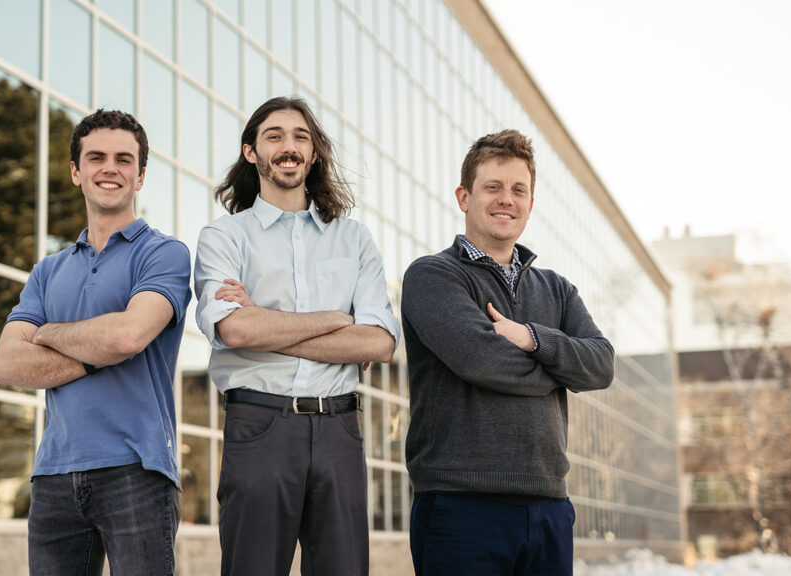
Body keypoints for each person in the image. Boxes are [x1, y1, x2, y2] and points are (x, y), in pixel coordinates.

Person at [193, 96, 400, 576]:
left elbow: (379, 343)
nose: (289, 146)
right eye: (275, 136)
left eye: (300, 137)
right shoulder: (224, 237)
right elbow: (236, 328)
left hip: (340, 432)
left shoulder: (354, 240)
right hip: (260, 426)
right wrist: (338, 319)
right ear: (251, 152)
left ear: (314, 154)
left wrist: (267, 325)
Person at [401, 129, 615, 576]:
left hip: (550, 506)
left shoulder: (558, 289)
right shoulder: (433, 277)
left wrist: (533, 339)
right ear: (464, 197)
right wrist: (561, 370)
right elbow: (481, 361)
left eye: (519, 190)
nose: (507, 200)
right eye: (493, 187)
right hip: (461, 507)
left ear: (531, 203)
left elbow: (601, 365)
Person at [0, 109, 191, 576]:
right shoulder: (47, 271)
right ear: (76, 172)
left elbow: (128, 335)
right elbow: (5, 365)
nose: (110, 168)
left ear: (140, 176)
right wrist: (100, 348)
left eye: (124, 159)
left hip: (137, 471)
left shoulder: (163, 253)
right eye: (96, 157)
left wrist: (47, 335)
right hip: (54, 474)